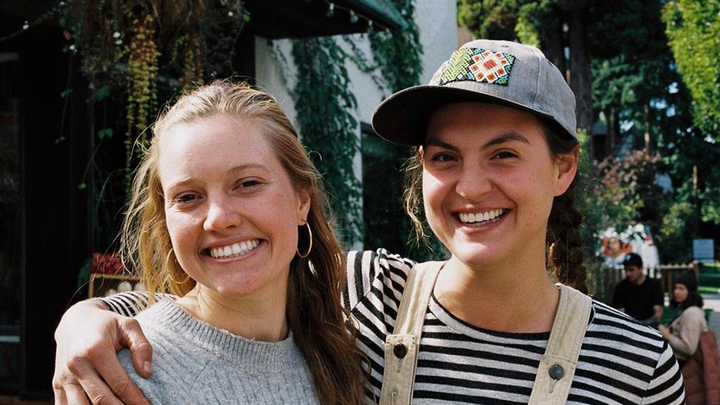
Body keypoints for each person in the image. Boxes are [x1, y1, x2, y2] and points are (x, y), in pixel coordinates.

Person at [53, 40, 685, 404]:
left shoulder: (636, 364)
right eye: (444, 157)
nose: (470, 186)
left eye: (504, 154)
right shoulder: (366, 294)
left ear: (564, 169)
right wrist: (84, 322)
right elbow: (219, 302)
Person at [53, 81, 368, 404]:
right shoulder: (126, 377)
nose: (217, 218)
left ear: (302, 200)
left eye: (247, 184)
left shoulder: (341, 352)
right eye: (188, 197)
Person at [660, 271, 707, 367]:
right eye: (676, 288)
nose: (676, 291)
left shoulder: (692, 313)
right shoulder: (687, 310)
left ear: (690, 292)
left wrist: (668, 335)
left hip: (683, 367)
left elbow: (689, 348)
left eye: (681, 288)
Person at [612, 252, 664, 326]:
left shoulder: (654, 285)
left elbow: (658, 314)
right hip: (628, 327)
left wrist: (642, 326)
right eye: (626, 270)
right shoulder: (620, 287)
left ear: (640, 269)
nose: (628, 273)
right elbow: (619, 313)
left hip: (650, 327)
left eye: (631, 270)